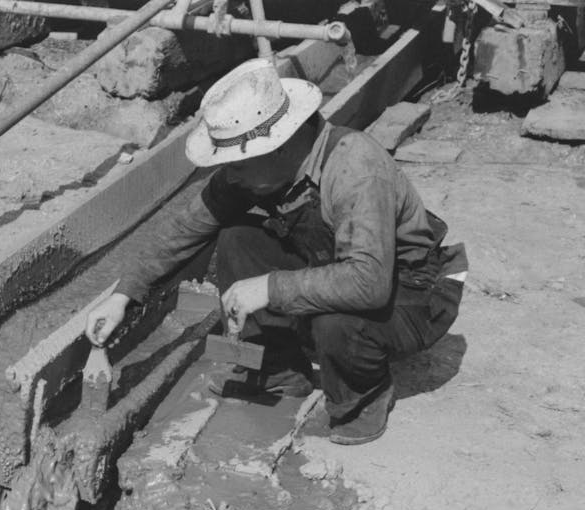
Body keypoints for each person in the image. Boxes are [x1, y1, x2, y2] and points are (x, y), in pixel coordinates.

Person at [85, 58, 467, 445]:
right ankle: (280, 371)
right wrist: (123, 294)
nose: (230, 175)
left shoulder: (355, 170)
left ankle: (364, 395)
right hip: (336, 263)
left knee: (334, 321)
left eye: (237, 164)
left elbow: (368, 283)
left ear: (280, 146)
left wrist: (269, 287)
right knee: (237, 240)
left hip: (408, 291)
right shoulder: (254, 171)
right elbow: (185, 229)